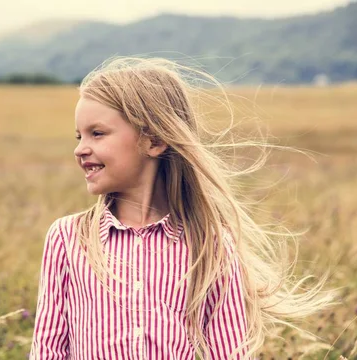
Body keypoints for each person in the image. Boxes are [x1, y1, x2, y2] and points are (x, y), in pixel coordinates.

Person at [29, 57, 335, 359]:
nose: (80, 148)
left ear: (154, 141)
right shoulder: (68, 238)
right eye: (78, 136)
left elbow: (229, 354)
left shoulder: (210, 245)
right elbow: (48, 350)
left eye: (97, 133)